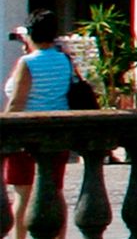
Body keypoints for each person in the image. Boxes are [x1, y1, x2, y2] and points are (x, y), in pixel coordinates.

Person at [5, 12, 79, 239]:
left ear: (30, 34)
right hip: (58, 131)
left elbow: (17, 102)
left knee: (23, 193)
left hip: (28, 132)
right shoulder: (64, 59)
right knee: (55, 190)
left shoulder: (28, 63)